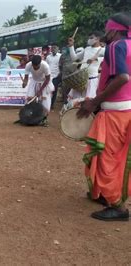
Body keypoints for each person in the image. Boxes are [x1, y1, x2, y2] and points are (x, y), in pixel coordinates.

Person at [77, 12, 131, 221]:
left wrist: (94, 102)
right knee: (119, 158)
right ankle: (107, 195)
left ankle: (118, 206)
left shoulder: (116, 46)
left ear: (114, 30)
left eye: (107, 29)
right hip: (126, 110)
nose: (104, 34)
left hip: (115, 112)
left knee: (107, 157)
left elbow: (123, 78)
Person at [67, 31, 105, 101]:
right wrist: (71, 46)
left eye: (91, 38)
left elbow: (108, 58)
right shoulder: (87, 49)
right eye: (89, 38)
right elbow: (74, 58)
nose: (89, 40)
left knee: (88, 102)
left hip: (91, 80)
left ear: (98, 39)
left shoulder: (103, 50)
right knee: (76, 102)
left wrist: (96, 59)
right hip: (80, 79)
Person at [22, 55, 54, 126]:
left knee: (45, 102)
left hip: (45, 83)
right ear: (32, 64)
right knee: (29, 100)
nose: (35, 68)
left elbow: (48, 79)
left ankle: (44, 119)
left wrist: (40, 90)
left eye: (37, 66)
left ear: (40, 63)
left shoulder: (45, 66)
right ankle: (30, 119)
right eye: (34, 66)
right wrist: (24, 83)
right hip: (34, 81)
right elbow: (26, 78)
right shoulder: (28, 65)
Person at [46, 43, 62, 109]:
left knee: (54, 90)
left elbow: (62, 66)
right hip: (48, 76)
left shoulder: (61, 56)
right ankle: (47, 103)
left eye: (55, 47)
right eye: (52, 47)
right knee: (48, 90)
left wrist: (60, 73)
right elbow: (46, 66)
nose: (54, 49)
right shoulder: (48, 57)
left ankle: (51, 104)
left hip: (56, 76)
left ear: (58, 48)